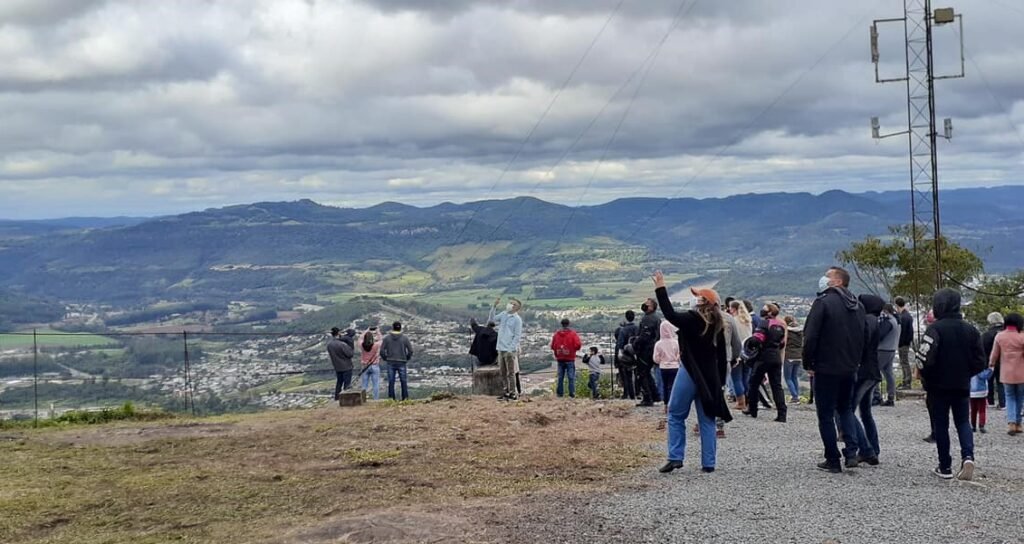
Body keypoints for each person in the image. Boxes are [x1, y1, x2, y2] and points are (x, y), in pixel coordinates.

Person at [653, 271, 733, 474]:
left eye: (697, 296)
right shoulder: (718, 324)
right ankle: (709, 463)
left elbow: (669, 314)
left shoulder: (691, 319)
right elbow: (722, 357)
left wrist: (660, 287)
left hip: (689, 371)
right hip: (711, 377)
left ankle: (675, 457)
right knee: (707, 419)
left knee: (676, 414)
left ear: (702, 301)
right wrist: (721, 382)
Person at [802, 266, 867, 473]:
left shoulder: (823, 303)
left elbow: (810, 336)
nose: (824, 279)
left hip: (826, 367)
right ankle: (851, 452)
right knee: (846, 408)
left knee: (825, 415)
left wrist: (808, 363)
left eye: (828, 276)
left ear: (837, 282)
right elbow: (864, 336)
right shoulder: (858, 306)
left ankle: (832, 457)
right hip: (850, 367)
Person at [916, 289, 985, 480]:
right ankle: (968, 457)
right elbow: (981, 360)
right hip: (962, 384)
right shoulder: (971, 330)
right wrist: (966, 373)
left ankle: (944, 466)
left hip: (938, 386)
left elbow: (924, 359)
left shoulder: (935, 329)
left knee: (941, 424)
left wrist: (928, 377)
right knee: (963, 422)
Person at [851, 294, 884, 464]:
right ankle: (874, 448)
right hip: (872, 372)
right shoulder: (874, 320)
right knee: (865, 413)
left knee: (848, 411)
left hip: (864, 373)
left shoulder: (868, 321)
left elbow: (861, 344)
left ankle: (866, 449)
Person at [743, 303, 788, 422]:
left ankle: (752, 409)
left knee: (753, 383)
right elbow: (782, 343)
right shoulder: (781, 325)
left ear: (769, 312)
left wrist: (749, 345)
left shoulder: (764, 323)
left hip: (763, 357)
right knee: (777, 386)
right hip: (776, 357)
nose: (762, 309)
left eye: (764, 308)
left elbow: (757, 339)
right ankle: (782, 414)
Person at [990, 312, 1024, 435]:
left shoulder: (1000, 336)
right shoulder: (1022, 337)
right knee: (1020, 398)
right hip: (1021, 373)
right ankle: (1019, 423)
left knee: (1009, 397)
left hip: (1006, 373)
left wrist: (991, 364)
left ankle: (1011, 423)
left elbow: (994, 354)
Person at [490, 297, 524, 401]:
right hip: (500, 348)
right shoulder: (504, 314)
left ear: (516, 308)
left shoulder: (517, 319)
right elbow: (493, 319)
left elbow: (517, 336)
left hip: (509, 349)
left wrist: (511, 348)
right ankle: (505, 391)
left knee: (511, 373)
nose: (510, 305)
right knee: (502, 372)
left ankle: (513, 393)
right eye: (510, 303)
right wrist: (494, 306)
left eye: (513, 304)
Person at [634, 298, 662, 407]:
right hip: (652, 349)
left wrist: (635, 344)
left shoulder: (648, 319)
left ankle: (647, 398)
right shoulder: (656, 318)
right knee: (647, 373)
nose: (644, 305)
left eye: (647, 304)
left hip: (646, 350)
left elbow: (644, 336)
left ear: (652, 307)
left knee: (642, 373)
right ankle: (655, 395)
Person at [728, 300, 754, 412]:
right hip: (748, 352)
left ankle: (740, 402)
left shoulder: (733, 321)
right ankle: (749, 400)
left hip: (737, 351)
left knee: (736, 378)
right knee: (745, 377)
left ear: (733, 309)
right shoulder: (748, 321)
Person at [653, 320, 681, 423]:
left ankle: (666, 405)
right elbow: (679, 355)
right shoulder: (676, 342)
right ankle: (674, 405)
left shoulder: (658, 344)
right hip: (675, 367)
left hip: (663, 367)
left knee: (665, 386)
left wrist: (662, 360)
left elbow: (655, 358)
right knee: (673, 386)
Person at [381, 321, 414, 401]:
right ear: (400, 328)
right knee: (403, 381)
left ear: (393, 327)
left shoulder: (387, 338)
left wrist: (385, 358)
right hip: (402, 361)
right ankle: (405, 398)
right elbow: (410, 350)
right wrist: (407, 358)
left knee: (391, 381)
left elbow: (382, 351)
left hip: (390, 361)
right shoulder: (405, 338)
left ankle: (391, 398)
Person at [876, 303, 900, 406]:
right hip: (892, 348)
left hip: (883, 349)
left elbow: (880, 334)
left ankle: (876, 396)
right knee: (888, 373)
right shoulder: (896, 321)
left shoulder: (888, 322)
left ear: (886, 311)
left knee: (875, 372)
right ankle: (891, 396)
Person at [552, 318, 582, 399]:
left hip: (560, 358)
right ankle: (571, 394)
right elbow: (578, 345)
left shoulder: (556, 334)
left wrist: (557, 352)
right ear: (568, 324)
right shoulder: (573, 334)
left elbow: (553, 346)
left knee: (560, 377)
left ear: (561, 324)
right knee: (571, 377)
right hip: (570, 358)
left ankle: (560, 394)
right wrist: (573, 349)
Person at [982, 312, 1006, 409]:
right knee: (1001, 383)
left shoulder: (986, 335)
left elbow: (982, 348)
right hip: (1004, 361)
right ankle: (1003, 403)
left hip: (989, 361)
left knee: (990, 381)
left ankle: (990, 401)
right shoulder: (1006, 333)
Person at [615, 311, 640, 400]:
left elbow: (620, 344)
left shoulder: (623, 330)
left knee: (627, 376)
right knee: (638, 374)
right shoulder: (638, 328)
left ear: (626, 317)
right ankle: (638, 392)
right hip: (637, 355)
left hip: (626, 356)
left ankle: (629, 394)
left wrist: (619, 356)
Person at [327, 327, 356, 400]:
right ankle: (346, 399)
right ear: (338, 333)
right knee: (347, 384)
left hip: (337, 367)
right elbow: (350, 354)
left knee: (339, 383)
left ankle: (337, 398)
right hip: (346, 366)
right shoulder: (342, 344)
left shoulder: (329, 345)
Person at [783, 316, 804, 404]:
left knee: (788, 377)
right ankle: (796, 395)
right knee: (794, 377)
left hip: (789, 356)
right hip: (799, 356)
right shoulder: (800, 331)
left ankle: (794, 396)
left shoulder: (787, 332)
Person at [895, 297, 915, 389]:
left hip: (903, 343)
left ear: (897, 305)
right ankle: (906, 381)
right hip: (906, 342)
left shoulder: (903, 317)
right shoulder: (908, 316)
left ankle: (907, 381)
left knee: (904, 362)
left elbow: (902, 332)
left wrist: (900, 342)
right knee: (904, 362)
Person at [359, 326, 382, 400]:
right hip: (374, 365)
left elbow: (360, 338)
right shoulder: (376, 345)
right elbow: (381, 340)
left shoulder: (362, 345)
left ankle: (363, 399)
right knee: (375, 384)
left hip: (365, 366)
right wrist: (378, 331)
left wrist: (366, 331)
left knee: (364, 384)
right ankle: (376, 399)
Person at [970, 367, 993, 433]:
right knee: (982, 410)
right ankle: (981, 425)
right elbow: (985, 376)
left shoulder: (970, 368)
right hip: (981, 392)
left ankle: (973, 426)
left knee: (973, 411)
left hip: (971, 392)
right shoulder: (980, 369)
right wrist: (991, 370)